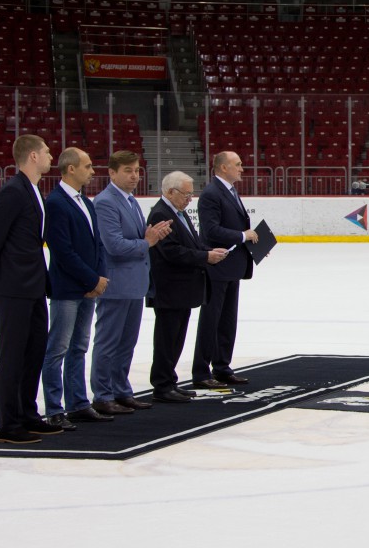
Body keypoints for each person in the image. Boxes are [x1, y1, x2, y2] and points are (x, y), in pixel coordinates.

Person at [0, 134, 63, 444]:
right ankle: (8, 424)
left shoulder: (34, 191)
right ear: (33, 156)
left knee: (34, 351)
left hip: (33, 285)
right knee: (12, 355)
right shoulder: (12, 192)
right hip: (12, 286)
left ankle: (28, 414)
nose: (52, 156)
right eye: (47, 152)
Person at [91, 150, 173, 416]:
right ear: (112, 172)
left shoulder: (131, 201)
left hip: (134, 283)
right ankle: (103, 394)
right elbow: (113, 245)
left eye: (137, 170)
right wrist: (146, 242)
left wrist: (152, 236)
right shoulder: (105, 202)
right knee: (108, 341)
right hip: (115, 284)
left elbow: (138, 238)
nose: (135, 176)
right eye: (128, 170)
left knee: (126, 342)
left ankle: (121, 390)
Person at [41, 147, 111, 430]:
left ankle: (78, 403)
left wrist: (100, 276)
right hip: (68, 289)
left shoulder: (86, 202)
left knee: (79, 347)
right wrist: (92, 280)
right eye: (88, 166)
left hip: (88, 288)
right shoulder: (56, 203)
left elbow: (97, 244)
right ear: (71, 169)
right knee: (57, 348)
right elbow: (62, 251)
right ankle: (55, 408)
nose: (93, 171)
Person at [148, 172, 229, 401]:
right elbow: (172, 251)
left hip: (181, 289)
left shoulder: (177, 212)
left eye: (192, 193)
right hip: (170, 288)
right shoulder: (161, 214)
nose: (190, 198)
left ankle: (169, 382)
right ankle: (162, 385)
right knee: (167, 339)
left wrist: (208, 251)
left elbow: (190, 243)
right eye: (186, 193)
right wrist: (205, 256)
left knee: (176, 338)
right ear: (171, 192)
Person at [193, 151, 258, 389]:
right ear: (222, 168)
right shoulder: (211, 194)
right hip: (217, 266)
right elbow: (210, 231)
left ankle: (222, 366)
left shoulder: (230, 191)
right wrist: (243, 235)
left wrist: (252, 243)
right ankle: (201, 371)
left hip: (232, 266)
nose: (242, 168)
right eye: (237, 164)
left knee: (227, 321)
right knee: (211, 320)